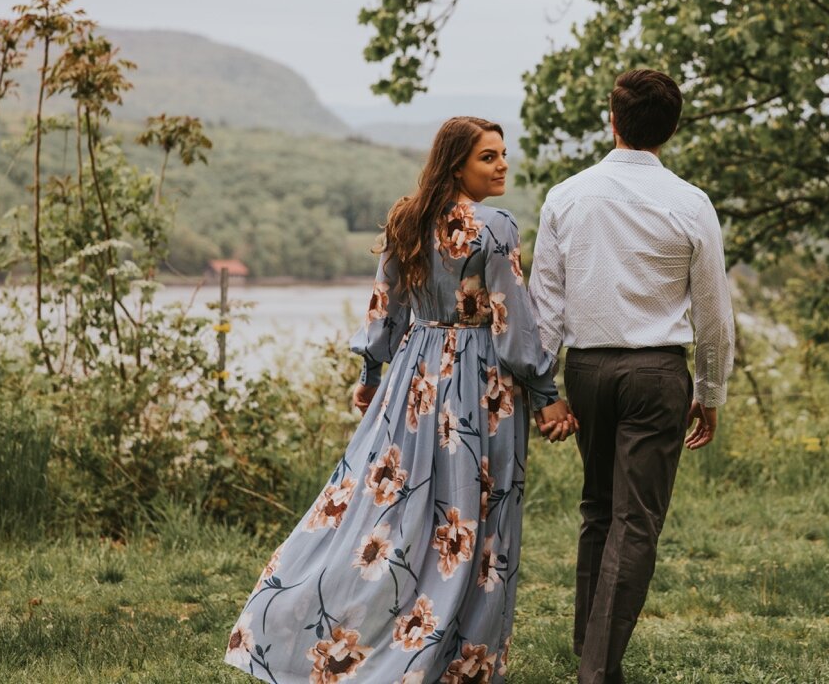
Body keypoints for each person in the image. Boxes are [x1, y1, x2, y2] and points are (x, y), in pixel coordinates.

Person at [224, 116, 576, 684]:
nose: (502, 164)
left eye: (503, 154)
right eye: (488, 157)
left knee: (390, 507)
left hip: (412, 379)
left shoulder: (406, 218)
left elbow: (383, 307)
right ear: (457, 163)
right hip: (480, 384)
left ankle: (312, 618)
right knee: (477, 518)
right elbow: (514, 325)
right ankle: (463, 663)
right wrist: (546, 394)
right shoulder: (496, 229)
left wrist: (370, 371)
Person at [530, 68, 735, 684]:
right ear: (670, 130)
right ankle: (598, 668)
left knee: (599, 507)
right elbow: (713, 311)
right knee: (636, 518)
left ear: (611, 120)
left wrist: (548, 392)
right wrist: (711, 390)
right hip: (656, 373)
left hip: (588, 369)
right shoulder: (690, 203)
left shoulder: (566, 196)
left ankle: (589, 647)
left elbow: (546, 306)